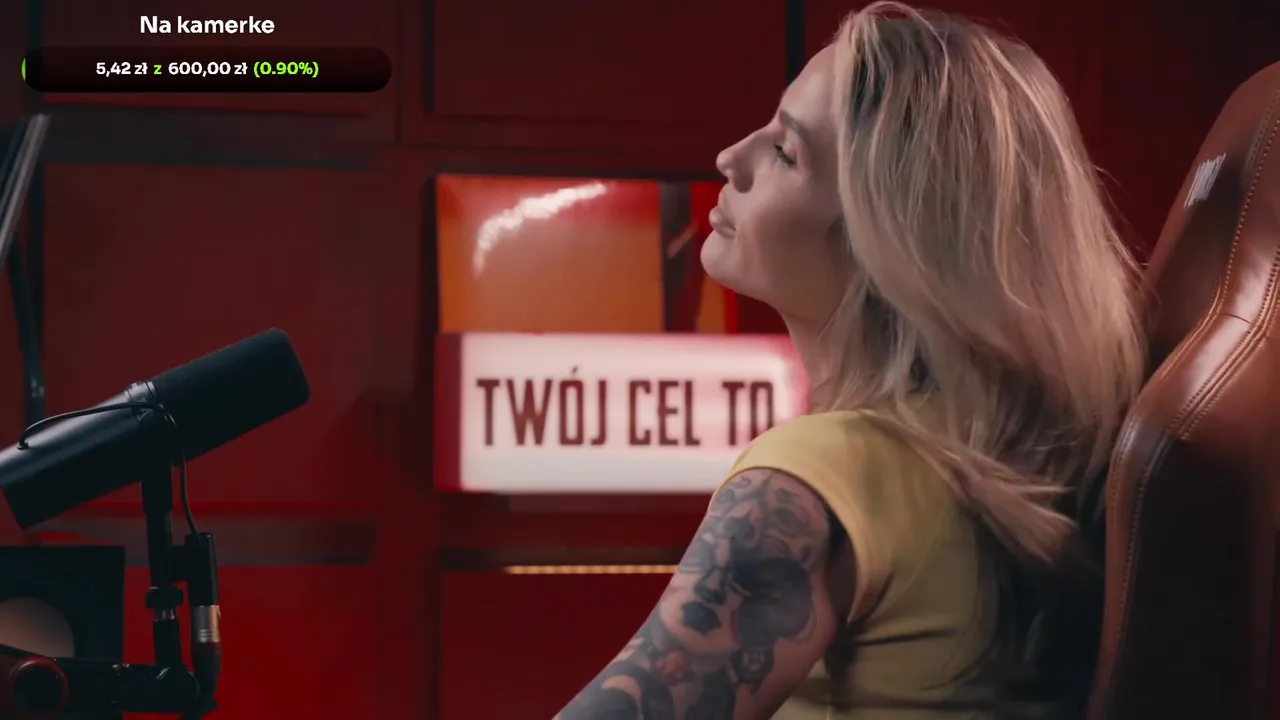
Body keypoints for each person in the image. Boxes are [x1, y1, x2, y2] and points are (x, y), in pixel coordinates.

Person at [555, 2, 1145, 718]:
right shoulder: (1011, 458)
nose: (731, 158)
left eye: (785, 152)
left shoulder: (825, 471)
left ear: (886, 237)